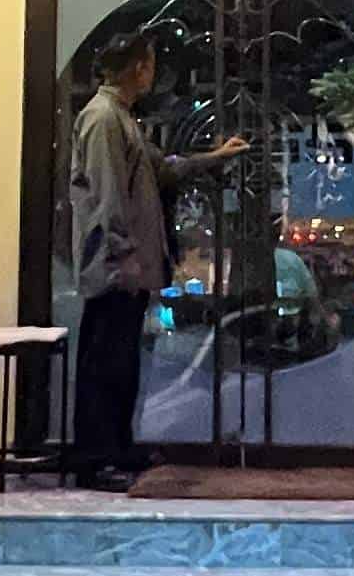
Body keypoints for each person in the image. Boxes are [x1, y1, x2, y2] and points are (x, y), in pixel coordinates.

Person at [66, 34, 245, 488]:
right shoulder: (104, 118)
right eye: (149, 63)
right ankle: (96, 458)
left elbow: (162, 168)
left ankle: (117, 449)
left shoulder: (121, 117)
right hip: (114, 268)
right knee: (105, 362)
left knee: (121, 359)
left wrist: (213, 158)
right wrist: (122, 256)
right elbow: (106, 200)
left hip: (127, 266)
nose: (152, 72)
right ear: (136, 69)